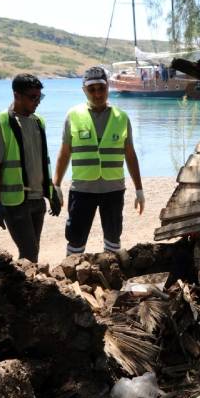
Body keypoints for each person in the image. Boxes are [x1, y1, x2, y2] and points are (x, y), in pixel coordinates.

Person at [54, 66, 145, 256]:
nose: (97, 94)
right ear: (84, 91)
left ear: (108, 87)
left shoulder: (121, 117)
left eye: (101, 88)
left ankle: (111, 276)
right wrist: (56, 185)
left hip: (113, 190)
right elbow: (64, 152)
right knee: (75, 239)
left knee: (113, 239)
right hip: (82, 190)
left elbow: (130, 154)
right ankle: (72, 278)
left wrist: (139, 189)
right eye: (92, 89)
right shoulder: (73, 115)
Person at [0, 73, 62, 262]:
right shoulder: (0, 124)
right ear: (16, 95)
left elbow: (41, 162)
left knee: (32, 252)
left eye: (39, 97)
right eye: (32, 97)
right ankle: (25, 288)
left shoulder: (38, 122)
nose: (38, 102)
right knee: (29, 253)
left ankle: (26, 286)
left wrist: (52, 193)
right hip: (15, 203)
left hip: (37, 200)